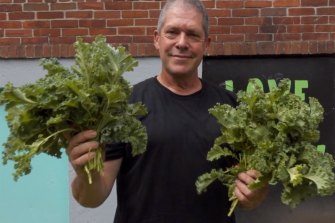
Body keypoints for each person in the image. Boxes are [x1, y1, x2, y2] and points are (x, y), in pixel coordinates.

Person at [67, 0, 268, 222]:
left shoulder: (232, 109)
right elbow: (92, 198)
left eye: (193, 35)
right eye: (172, 32)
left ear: (206, 44)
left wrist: (255, 193)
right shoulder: (124, 107)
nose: (182, 43)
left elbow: (248, 191)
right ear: (157, 38)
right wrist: (86, 175)